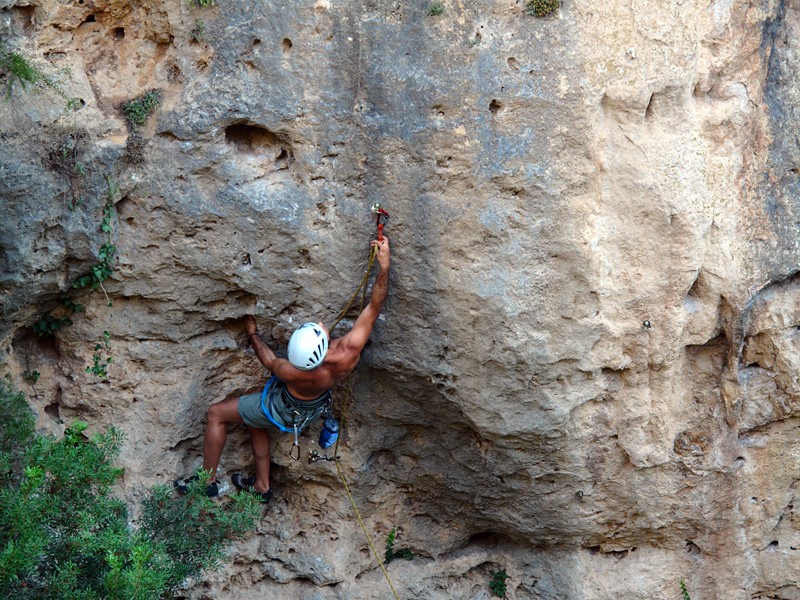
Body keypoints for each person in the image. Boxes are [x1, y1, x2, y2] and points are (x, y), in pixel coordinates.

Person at [175, 236, 391, 503]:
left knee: (216, 413)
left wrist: (253, 334)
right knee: (252, 419)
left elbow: (267, 359)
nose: (320, 324)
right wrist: (384, 266)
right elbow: (375, 305)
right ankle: (262, 486)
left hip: (284, 407)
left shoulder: (291, 371)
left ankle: (206, 482)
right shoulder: (348, 354)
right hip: (312, 410)